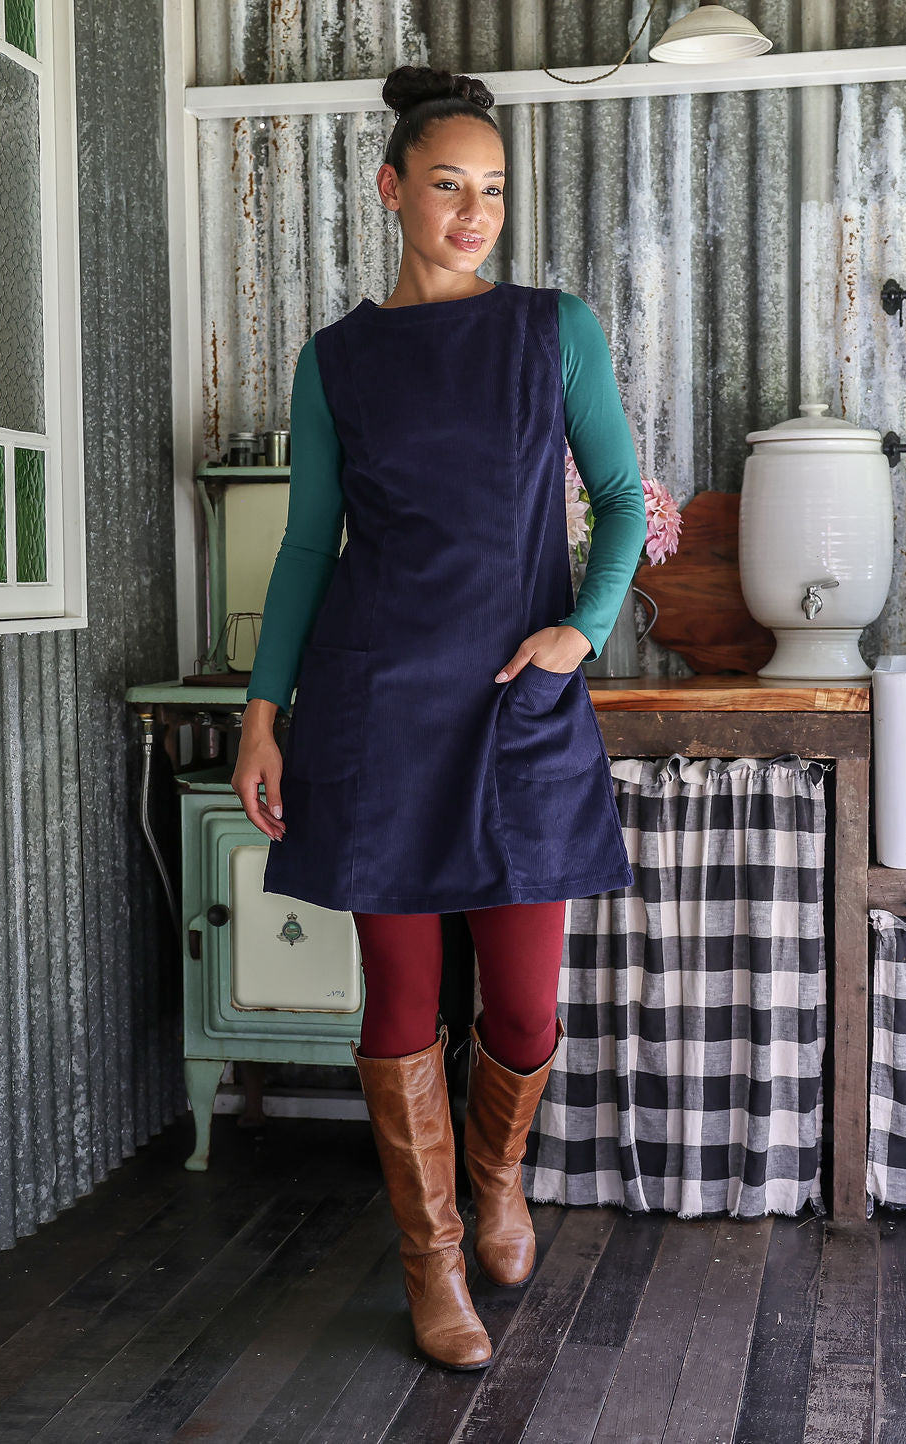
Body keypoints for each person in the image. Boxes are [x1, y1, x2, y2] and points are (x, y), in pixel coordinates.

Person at [231, 63, 647, 1372]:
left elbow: (626, 501)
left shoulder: (553, 330)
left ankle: (501, 1181)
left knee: (523, 1012)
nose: (475, 213)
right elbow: (307, 550)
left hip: (520, 705)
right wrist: (262, 712)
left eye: (495, 193)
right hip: (372, 717)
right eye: (450, 186)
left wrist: (582, 629)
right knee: (400, 1006)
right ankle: (431, 1256)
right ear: (393, 188)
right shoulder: (337, 360)